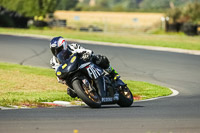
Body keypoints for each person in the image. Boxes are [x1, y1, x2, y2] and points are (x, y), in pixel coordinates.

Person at [49, 36, 120, 97]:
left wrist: (86, 54)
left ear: (64, 46)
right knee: (71, 92)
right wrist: (61, 78)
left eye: (59, 49)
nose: (56, 52)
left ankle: (113, 73)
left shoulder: (73, 47)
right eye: (54, 50)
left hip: (83, 64)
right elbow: (58, 72)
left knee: (99, 59)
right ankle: (86, 93)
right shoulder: (53, 61)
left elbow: (86, 51)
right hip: (71, 73)